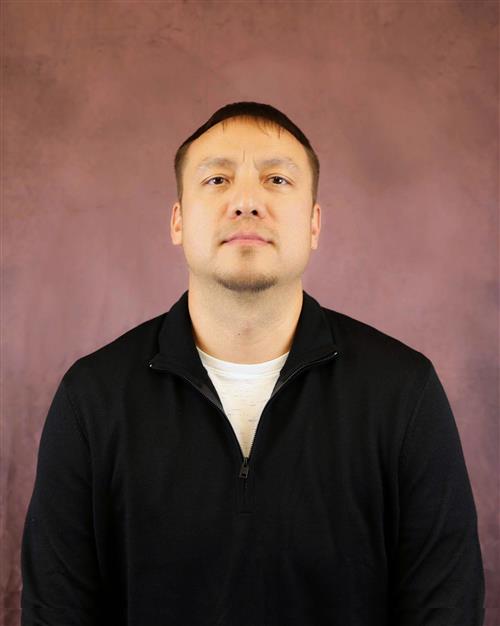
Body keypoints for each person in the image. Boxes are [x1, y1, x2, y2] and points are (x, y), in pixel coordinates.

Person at [20, 101, 485, 626]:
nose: (246, 201)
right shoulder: (92, 400)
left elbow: (445, 608)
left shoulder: (405, 393)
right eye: (217, 179)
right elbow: (56, 612)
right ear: (177, 220)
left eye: (277, 180)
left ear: (314, 224)